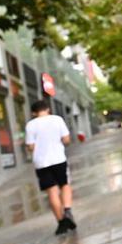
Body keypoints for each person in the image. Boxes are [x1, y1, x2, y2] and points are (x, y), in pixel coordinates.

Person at [25, 100, 77, 235]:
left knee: (52, 192)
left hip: (41, 163)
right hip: (58, 159)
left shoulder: (30, 125)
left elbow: (30, 146)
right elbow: (66, 140)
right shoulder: (57, 119)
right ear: (47, 109)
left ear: (33, 112)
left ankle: (61, 223)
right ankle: (67, 211)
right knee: (64, 185)